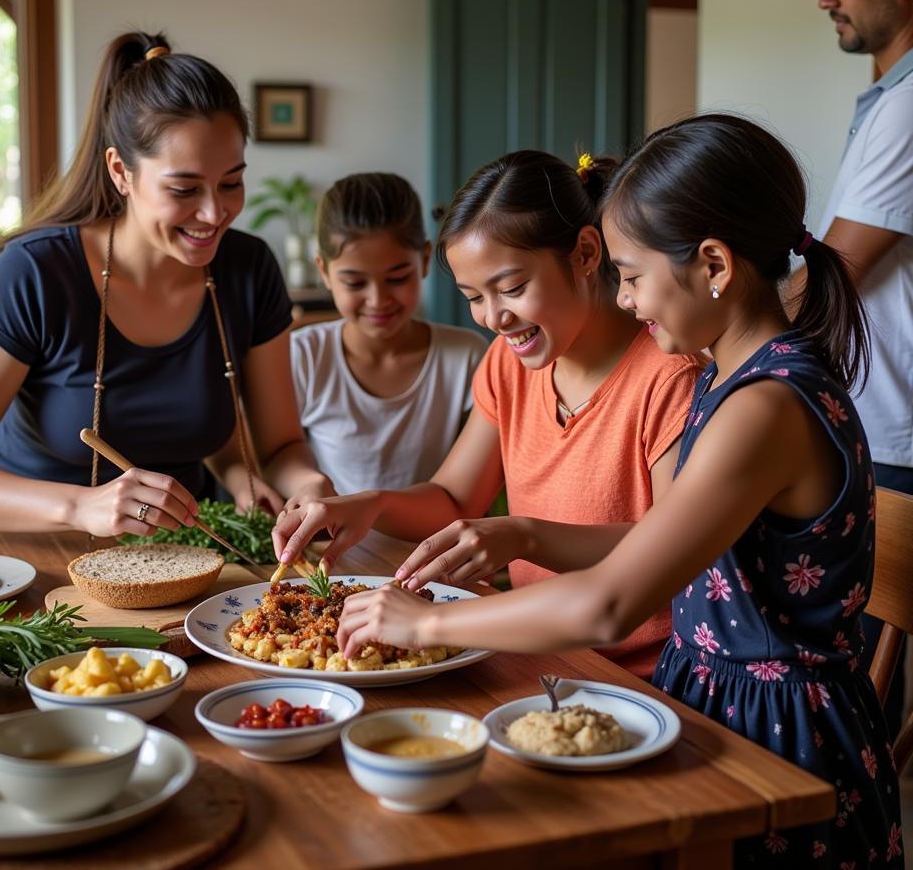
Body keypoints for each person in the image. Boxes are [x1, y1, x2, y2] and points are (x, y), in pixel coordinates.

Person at [327, 115, 901, 866]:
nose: (625, 302)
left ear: (715, 266)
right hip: (707, 703)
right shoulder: (738, 379)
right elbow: (671, 546)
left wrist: (426, 627)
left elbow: (611, 604)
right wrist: (527, 534)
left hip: (777, 742)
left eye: (632, 277)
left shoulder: (764, 407)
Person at [275, 149, 703, 680]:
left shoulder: (671, 377)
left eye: (513, 288)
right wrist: (366, 505)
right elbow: (454, 498)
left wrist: (522, 534)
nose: (493, 318)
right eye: (473, 296)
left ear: (587, 254)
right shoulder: (510, 361)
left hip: (641, 675)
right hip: (529, 651)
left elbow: (662, 551)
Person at [0, 31, 330, 537]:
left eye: (231, 182)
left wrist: (303, 482)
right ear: (121, 172)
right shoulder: (34, 273)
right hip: (21, 560)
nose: (214, 212)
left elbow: (280, 446)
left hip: (176, 561)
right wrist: (80, 507)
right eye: (184, 188)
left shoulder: (249, 268)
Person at [802, 0, 913, 737]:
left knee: (869, 696)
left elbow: (836, 271)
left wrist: (717, 331)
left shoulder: (911, 104)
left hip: (899, 430)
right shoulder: (889, 96)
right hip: (885, 419)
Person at [286, 172, 487, 500]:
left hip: (435, 546)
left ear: (424, 259)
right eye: (354, 283)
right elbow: (275, 455)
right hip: (330, 548)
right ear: (323, 271)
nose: (378, 300)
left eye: (397, 278)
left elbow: (475, 485)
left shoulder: (466, 357)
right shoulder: (305, 355)